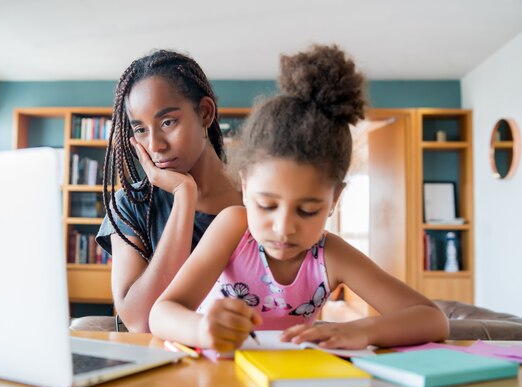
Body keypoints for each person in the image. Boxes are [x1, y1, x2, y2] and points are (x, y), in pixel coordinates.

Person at [149, 44, 449, 351]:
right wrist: (201, 330)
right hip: (215, 383)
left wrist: (363, 331)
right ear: (245, 185)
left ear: (334, 199)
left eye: (307, 210)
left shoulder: (330, 255)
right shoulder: (233, 226)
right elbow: (161, 313)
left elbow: (432, 319)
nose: (284, 227)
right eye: (267, 205)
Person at [96, 49, 241, 332]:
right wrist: (184, 196)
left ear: (205, 113)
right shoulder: (131, 203)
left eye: (167, 122)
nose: (155, 145)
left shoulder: (259, 200)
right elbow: (139, 320)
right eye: (140, 130)